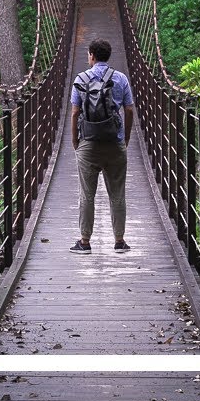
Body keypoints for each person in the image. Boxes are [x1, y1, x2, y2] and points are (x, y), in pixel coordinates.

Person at [69, 39, 135, 254]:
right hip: (115, 143)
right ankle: (119, 241)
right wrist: (124, 138)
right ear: (108, 55)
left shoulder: (81, 78)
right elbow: (129, 110)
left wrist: (75, 140)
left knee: (87, 194)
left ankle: (85, 242)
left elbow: (75, 112)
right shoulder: (121, 78)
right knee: (117, 194)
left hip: (89, 143)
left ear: (92, 56)